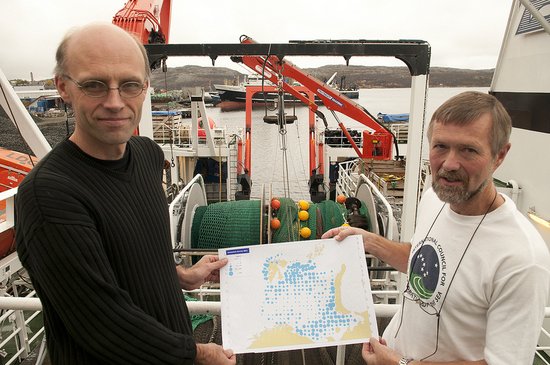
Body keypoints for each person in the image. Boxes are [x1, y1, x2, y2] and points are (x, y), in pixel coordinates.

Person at [15, 23, 236, 365]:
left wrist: (182, 275)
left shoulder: (147, 155)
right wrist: (199, 354)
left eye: (129, 85)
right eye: (94, 85)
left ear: (145, 88)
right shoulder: (48, 195)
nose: (115, 102)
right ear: (63, 87)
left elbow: (136, 249)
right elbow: (101, 323)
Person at [323, 91, 550, 364]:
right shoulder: (435, 197)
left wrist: (399, 364)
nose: (449, 164)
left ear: (500, 155)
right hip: (389, 350)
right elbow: (423, 259)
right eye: (440, 146)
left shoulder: (522, 259)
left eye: (468, 150)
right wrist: (371, 241)